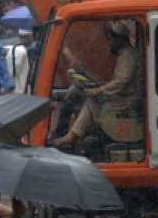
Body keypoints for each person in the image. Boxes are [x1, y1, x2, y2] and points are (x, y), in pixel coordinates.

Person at [54, 20, 142, 151]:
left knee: (92, 102)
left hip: (127, 101)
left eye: (111, 39)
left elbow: (121, 81)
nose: (109, 43)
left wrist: (98, 90)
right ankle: (73, 135)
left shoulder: (127, 55)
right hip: (124, 96)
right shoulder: (126, 54)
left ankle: (71, 136)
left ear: (120, 39)